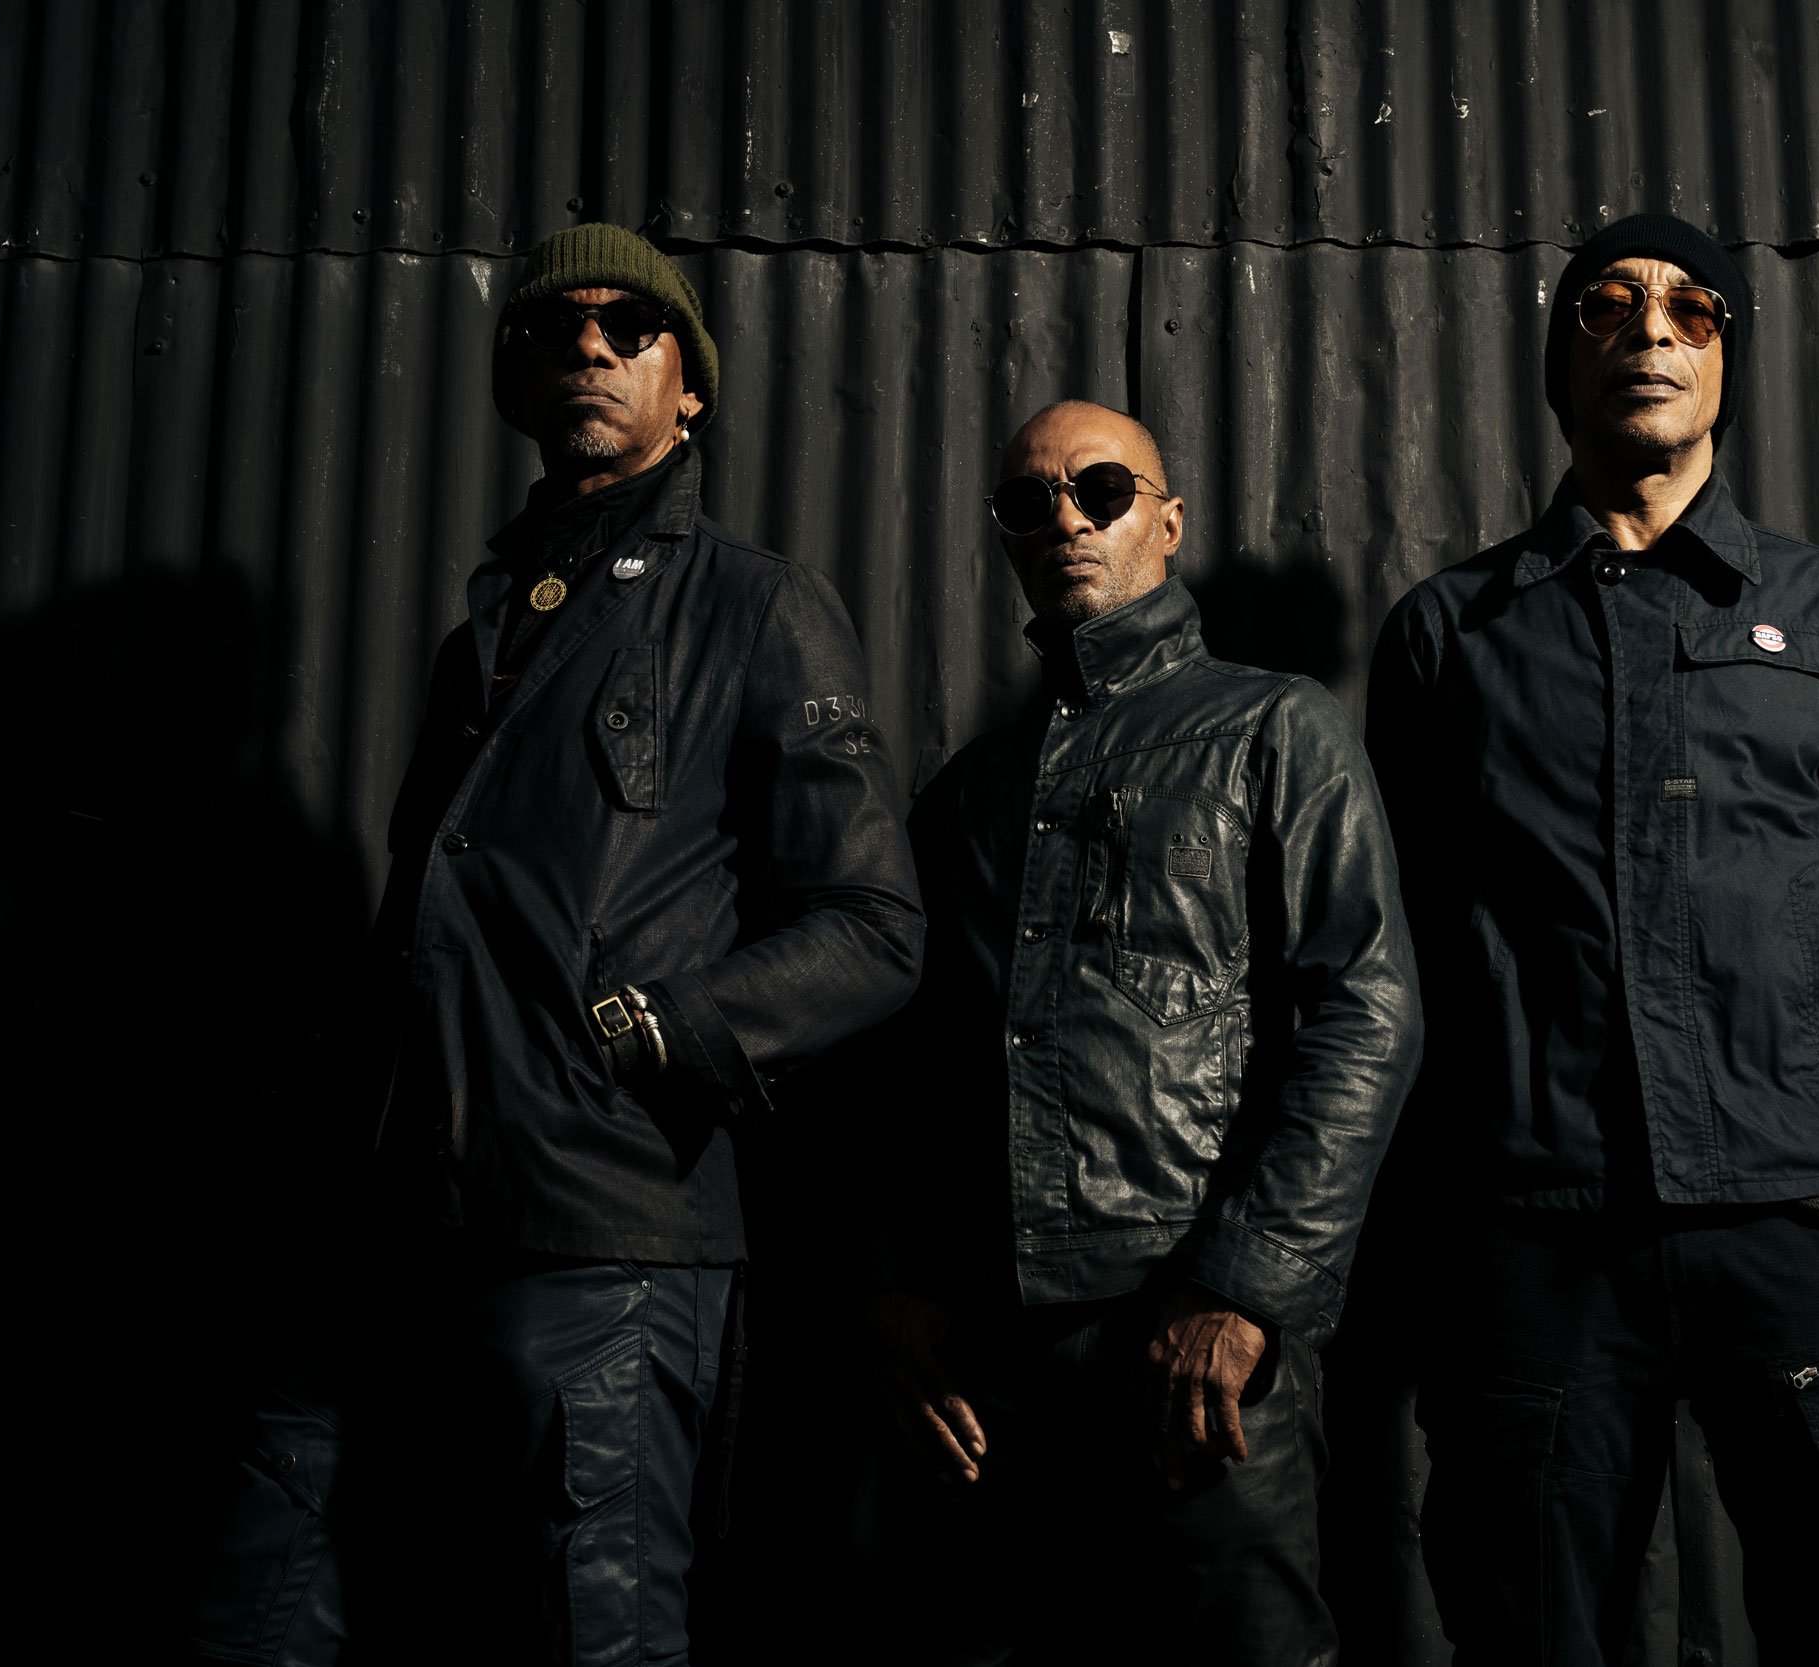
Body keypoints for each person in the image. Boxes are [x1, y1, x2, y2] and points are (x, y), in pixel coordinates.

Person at [187, 223, 925, 1665]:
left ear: (687, 386)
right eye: (555, 326)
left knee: (596, 1629)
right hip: (400, 1200)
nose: (590, 344)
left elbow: (874, 926)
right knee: (275, 1587)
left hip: (608, 1220)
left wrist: (648, 1034)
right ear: (514, 378)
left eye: (631, 327)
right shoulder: (486, 627)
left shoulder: (756, 606)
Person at [1366, 213, 1819, 1664]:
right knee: (1528, 1621)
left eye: (1692, 310)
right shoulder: (1449, 633)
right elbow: (1412, 920)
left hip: (1794, 1207)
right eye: (1608, 305)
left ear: (1724, 361)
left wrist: (1779, 1052)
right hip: (1541, 1221)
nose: (1651, 330)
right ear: (1560, 363)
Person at [871, 399, 1423, 1666]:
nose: (1066, 517)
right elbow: (901, 1064)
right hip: (992, 1364)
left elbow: (1366, 1009)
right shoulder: (966, 794)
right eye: (1030, 500)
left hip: (1196, 1338)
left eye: (1102, 490)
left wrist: (1242, 1288)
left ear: (1166, 523)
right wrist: (897, 1294)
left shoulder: (1274, 728)